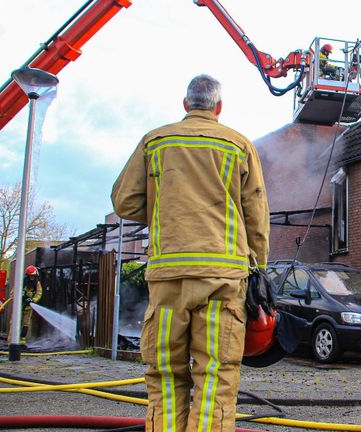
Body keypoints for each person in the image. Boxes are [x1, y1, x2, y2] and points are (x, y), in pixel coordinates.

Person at [111, 74, 269, 432]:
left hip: (168, 279)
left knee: (166, 375)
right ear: (219, 108)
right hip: (223, 280)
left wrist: (165, 206)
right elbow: (256, 213)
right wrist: (257, 265)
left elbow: (124, 201)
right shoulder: (238, 145)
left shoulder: (155, 141)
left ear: (186, 105)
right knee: (216, 376)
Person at [14, 265, 42, 345]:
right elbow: (17, 290)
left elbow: (39, 293)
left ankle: (22, 340)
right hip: (19, 305)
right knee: (16, 322)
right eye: (30, 276)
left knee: (26, 323)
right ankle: (14, 339)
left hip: (29, 306)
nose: (32, 277)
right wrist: (23, 296)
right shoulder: (23, 281)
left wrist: (33, 300)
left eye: (33, 276)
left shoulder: (37, 283)